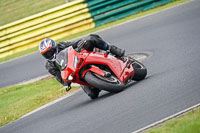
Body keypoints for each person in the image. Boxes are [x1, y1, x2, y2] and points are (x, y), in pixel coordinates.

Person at [39, 34, 125, 99]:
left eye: (50, 51)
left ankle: (113, 49)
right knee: (92, 95)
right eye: (46, 54)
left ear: (54, 47)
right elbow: (59, 78)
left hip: (81, 59)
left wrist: (80, 43)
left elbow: (74, 43)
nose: (49, 54)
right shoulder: (49, 65)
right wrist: (66, 82)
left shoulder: (61, 45)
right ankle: (101, 82)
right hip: (76, 73)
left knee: (91, 38)